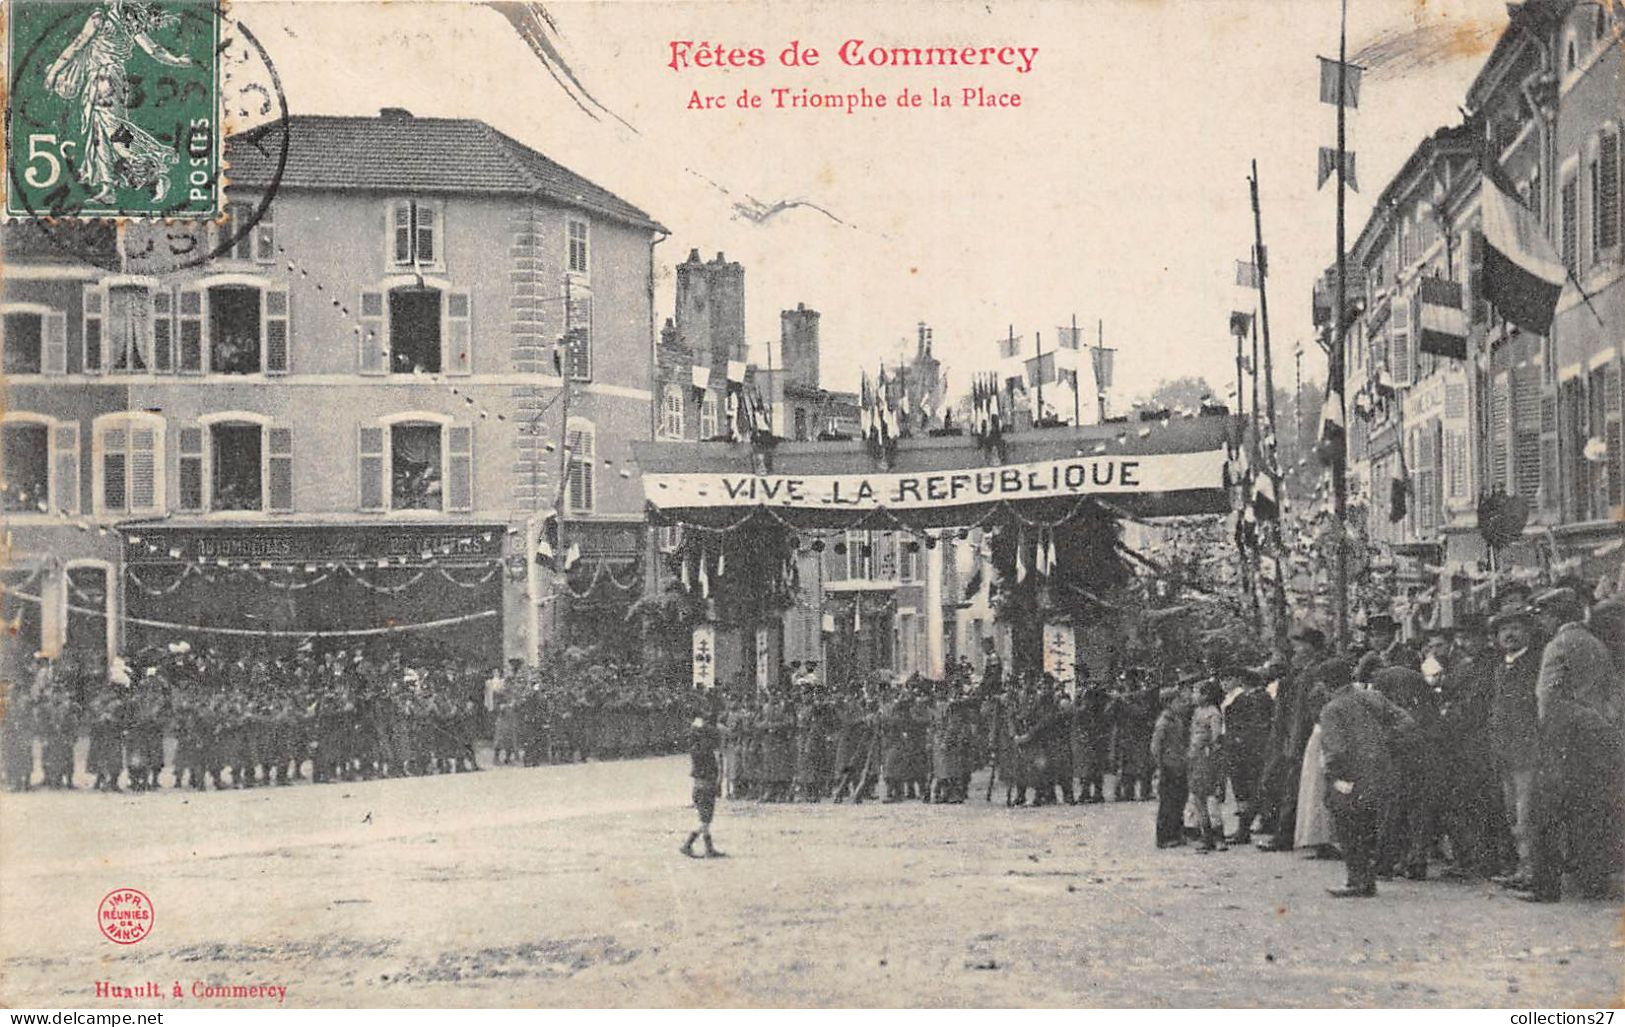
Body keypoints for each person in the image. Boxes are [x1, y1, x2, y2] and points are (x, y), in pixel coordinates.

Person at [1523, 587, 1621, 902]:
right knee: (1590, 810)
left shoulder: (1558, 645)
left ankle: (1545, 886)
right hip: (1600, 737)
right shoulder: (1596, 645)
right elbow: (1613, 694)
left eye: (1544, 616)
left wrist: (1546, 735)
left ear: (1554, 616)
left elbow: (1547, 698)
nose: (1541, 623)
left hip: (1565, 738)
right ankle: (1594, 882)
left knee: (1543, 812)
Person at [1318, 666, 1416, 897]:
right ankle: (1367, 879)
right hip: (1380, 771)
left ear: (1325, 685)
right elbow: (1407, 721)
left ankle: (1357, 880)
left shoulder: (1332, 709)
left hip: (1350, 774)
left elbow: (1336, 749)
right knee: (1368, 825)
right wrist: (1384, 741)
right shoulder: (1372, 697)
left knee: (1348, 826)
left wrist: (1334, 776)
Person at [1223, 664, 1275, 844]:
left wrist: (1238, 740)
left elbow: (1249, 726)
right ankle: (1247, 827)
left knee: (1246, 790)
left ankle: (1243, 830)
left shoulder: (1250, 699)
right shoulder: (1263, 698)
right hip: (1253, 749)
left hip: (1246, 751)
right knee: (1249, 789)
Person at [1187, 679, 1228, 852]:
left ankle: (1218, 836)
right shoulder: (1196, 712)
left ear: (1206, 695)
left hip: (1207, 757)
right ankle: (1205, 835)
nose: (1193, 695)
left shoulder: (1213, 713)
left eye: (1196, 692)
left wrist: (1208, 751)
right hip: (1195, 757)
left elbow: (1216, 737)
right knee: (1198, 798)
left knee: (1211, 798)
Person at [680, 711, 726, 859]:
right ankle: (688, 844)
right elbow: (715, 769)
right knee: (705, 821)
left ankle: (709, 848)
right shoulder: (707, 750)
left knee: (704, 819)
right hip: (707, 786)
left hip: (697, 787)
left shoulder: (695, 749)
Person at [1150, 687, 1191, 848]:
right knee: (1168, 802)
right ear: (1169, 703)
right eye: (1178, 701)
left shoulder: (1176, 719)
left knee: (1179, 800)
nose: (1182, 704)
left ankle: (1176, 833)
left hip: (1178, 765)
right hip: (1169, 766)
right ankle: (1164, 837)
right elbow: (1155, 746)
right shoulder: (1164, 722)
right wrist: (1160, 766)